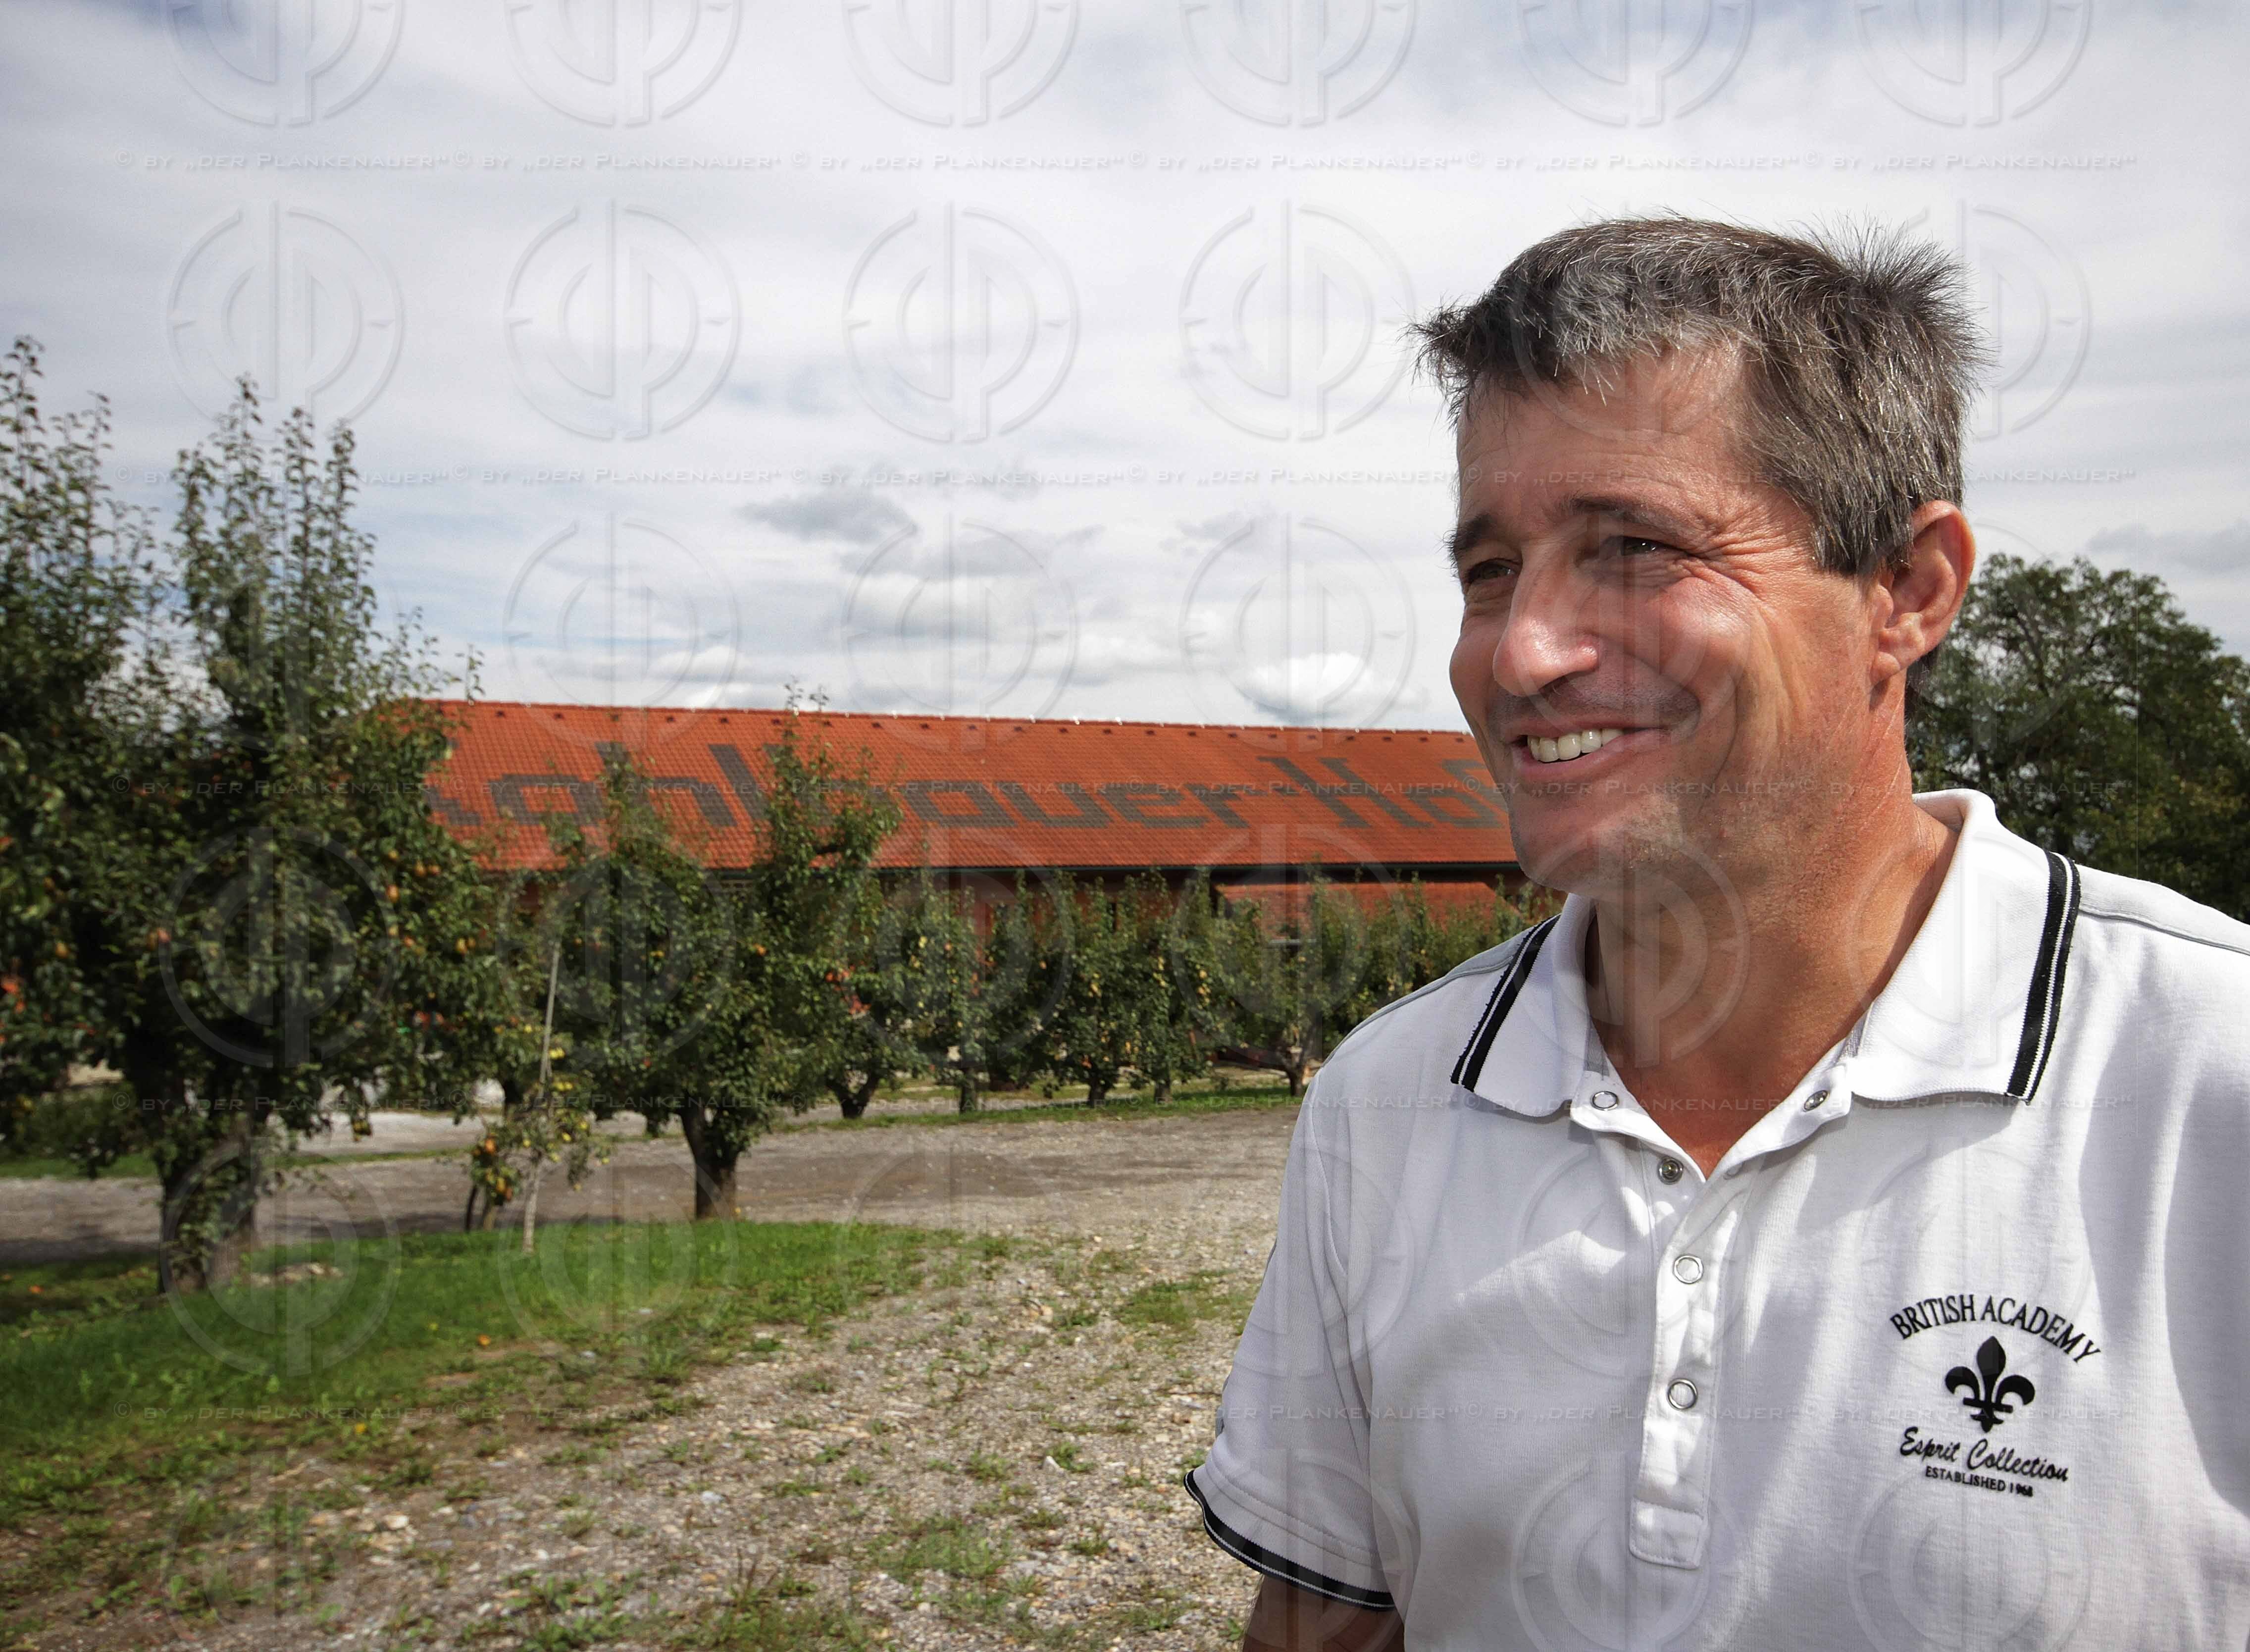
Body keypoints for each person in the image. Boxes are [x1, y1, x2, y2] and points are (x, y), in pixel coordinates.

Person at [1183, 215, 2250, 1650]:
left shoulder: (2209, 1079)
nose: (1520, 652)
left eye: (1631, 549)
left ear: (1908, 590)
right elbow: (1331, 1623)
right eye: (1491, 570)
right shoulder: (1390, 1100)